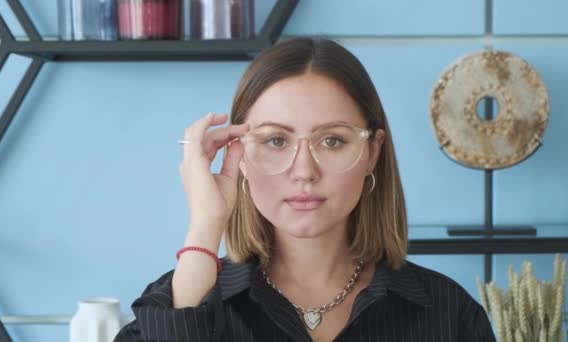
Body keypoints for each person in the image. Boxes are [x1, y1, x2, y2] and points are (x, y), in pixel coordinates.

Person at [114, 37, 495, 342]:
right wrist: (204, 227)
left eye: (332, 141)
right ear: (239, 154)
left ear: (372, 152)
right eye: (276, 141)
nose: (304, 171)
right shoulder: (175, 306)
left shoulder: (449, 315)